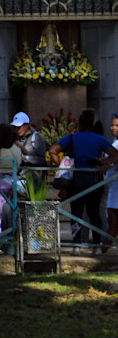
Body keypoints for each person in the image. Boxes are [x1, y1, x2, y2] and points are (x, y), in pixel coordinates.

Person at [50, 108, 118, 248]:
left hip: (75, 180)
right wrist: (105, 164)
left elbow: (53, 151)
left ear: (79, 124)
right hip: (94, 179)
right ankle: (97, 245)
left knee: (76, 213)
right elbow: (115, 154)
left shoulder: (71, 138)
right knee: (94, 213)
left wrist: (63, 166)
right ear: (91, 125)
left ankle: (76, 245)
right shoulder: (99, 139)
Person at [0, 121, 23, 244]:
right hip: (15, 181)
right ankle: (15, 237)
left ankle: (4, 239)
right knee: (14, 210)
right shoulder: (17, 149)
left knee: (1, 212)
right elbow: (20, 162)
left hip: (0, 182)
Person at [106, 114, 118, 254]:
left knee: (113, 220)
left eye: (116, 125)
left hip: (116, 186)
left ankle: (103, 249)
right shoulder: (115, 141)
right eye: (112, 125)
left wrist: (106, 164)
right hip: (112, 185)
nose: (113, 128)